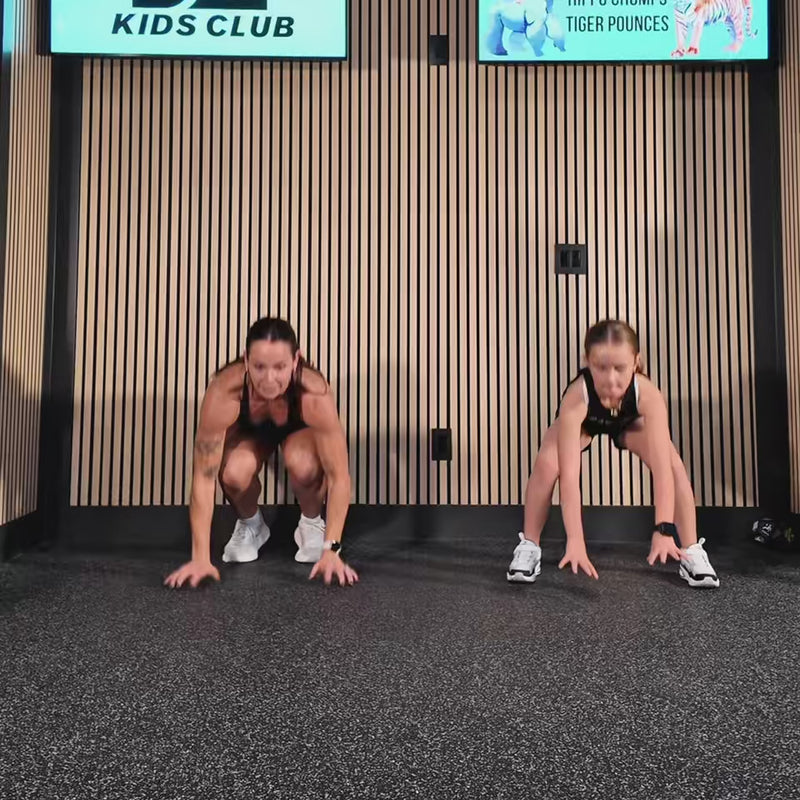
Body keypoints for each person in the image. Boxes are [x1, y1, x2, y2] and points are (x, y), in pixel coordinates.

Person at [507, 319, 720, 588]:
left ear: (636, 362)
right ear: (587, 362)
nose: (611, 379)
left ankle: (691, 551)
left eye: (620, 368)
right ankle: (529, 545)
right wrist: (575, 539)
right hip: (586, 423)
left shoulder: (648, 395)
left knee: (673, 464)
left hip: (629, 425)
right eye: (601, 367)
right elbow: (570, 478)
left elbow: (663, 472)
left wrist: (664, 529)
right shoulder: (576, 396)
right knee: (548, 463)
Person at [164, 316, 358, 589]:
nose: (269, 379)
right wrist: (200, 558)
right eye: (259, 367)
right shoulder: (224, 391)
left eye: (279, 367)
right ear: (246, 360)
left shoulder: (314, 393)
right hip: (251, 435)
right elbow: (204, 476)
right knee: (233, 474)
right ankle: (251, 524)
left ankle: (312, 523)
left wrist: (332, 550)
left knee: (304, 465)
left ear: (296, 360)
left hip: (297, 435)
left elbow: (339, 477)